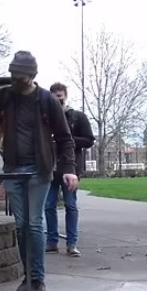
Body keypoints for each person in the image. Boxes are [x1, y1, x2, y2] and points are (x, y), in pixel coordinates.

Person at [0, 51, 78, 291]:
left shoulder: (46, 100)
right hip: (13, 170)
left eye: (20, 77)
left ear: (32, 76)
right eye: (13, 75)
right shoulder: (5, 96)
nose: (15, 80)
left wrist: (69, 170)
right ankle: (28, 275)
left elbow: (65, 139)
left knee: (34, 225)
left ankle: (37, 280)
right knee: (21, 227)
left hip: (39, 170)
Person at [44, 82, 95, 257]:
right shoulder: (46, 117)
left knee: (70, 205)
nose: (58, 100)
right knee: (48, 205)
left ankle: (72, 243)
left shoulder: (78, 117)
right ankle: (52, 241)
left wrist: (69, 140)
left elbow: (89, 140)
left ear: (65, 96)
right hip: (50, 168)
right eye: (54, 97)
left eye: (60, 96)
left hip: (71, 167)